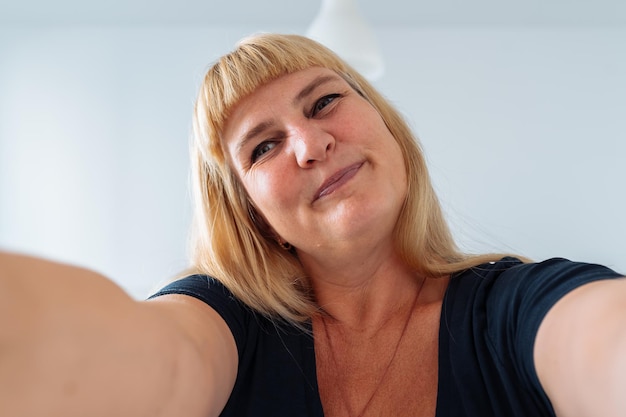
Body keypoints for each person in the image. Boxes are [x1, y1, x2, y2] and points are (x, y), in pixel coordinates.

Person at [0, 33, 624, 417]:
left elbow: (601, 341)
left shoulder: (511, 309)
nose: (309, 144)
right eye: (263, 147)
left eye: (324, 101)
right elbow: (129, 358)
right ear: (249, 211)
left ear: (386, 128)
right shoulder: (225, 325)